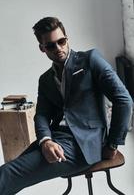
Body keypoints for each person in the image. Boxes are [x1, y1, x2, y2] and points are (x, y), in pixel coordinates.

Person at [0, 17, 132, 194]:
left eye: (61, 41)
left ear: (67, 38)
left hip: (84, 144)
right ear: (42, 48)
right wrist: (46, 140)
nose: (58, 48)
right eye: (50, 46)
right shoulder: (46, 79)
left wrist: (113, 144)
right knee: (8, 174)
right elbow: (42, 116)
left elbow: (123, 100)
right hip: (57, 139)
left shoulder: (91, 60)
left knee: (8, 175)